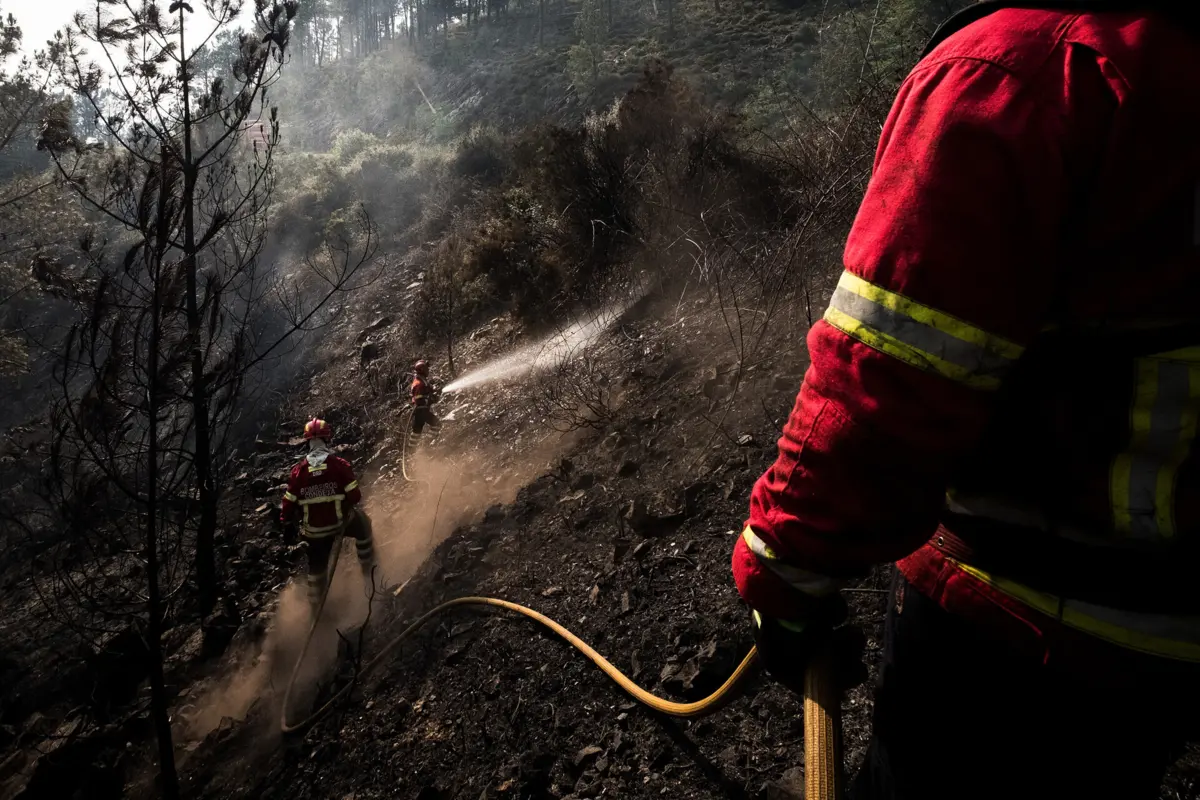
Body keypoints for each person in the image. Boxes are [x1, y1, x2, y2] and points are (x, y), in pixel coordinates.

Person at [732, 3, 1200, 798]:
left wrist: (786, 570)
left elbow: (886, 381)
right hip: (1164, 647)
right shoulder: (1174, 59)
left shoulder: (1012, 75)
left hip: (1012, 640)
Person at [281, 418, 381, 610]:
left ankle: (317, 608)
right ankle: (369, 570)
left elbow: (288, 505)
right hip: (339, 523)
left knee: (317, 566)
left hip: (314, 533)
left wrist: (286, 524)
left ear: (307, 442)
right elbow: (355, 496)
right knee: (363, 524)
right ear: (327, 440)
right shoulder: (339, 465)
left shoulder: (298, 473)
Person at [409, 360, 442, 442]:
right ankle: (426, 444)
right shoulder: (419, 383)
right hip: (421, 411)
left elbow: (427, 389)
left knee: (416, 433)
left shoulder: (421, 380)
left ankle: (410, 451)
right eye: (426, 369)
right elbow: (418, 398)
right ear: (422, 370)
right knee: (437, 425)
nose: (428, 371)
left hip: (420, 411)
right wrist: (431, 398)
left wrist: (434, 390)